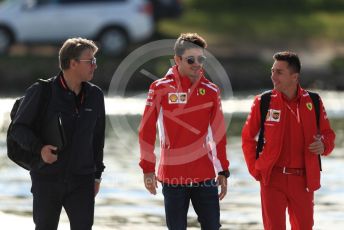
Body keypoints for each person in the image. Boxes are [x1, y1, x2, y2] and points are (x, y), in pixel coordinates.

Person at [11, 37, 106, 230]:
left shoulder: (95, 95)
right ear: (73, 63)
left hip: (82, 180)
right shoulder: (42, 91)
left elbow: (97, 139)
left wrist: (97, 176)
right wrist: (40, 149)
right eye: (91, 61)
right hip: (47, 178)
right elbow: (18, 129)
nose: (95, 66)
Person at [139, 32, 230, 230]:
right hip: (173, 176)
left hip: (205, 176)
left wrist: (223, 169)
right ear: (178, 59)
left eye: (201, 59)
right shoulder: (159, 88)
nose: (197, 63)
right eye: (191, 59)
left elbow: (219, 134)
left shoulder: (212, 90)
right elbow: (146, 131)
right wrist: (147, 168)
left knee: (213, 226)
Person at [242, 51, 335, 230]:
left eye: (279, 72)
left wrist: (323, 145)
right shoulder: (263, 101)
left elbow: (328, 134)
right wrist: (256, 169)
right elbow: (247, 138)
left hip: (303, 180)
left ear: (295, 76)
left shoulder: (314, 101)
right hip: (272, 179)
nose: (273, 76)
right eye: (272, 71)